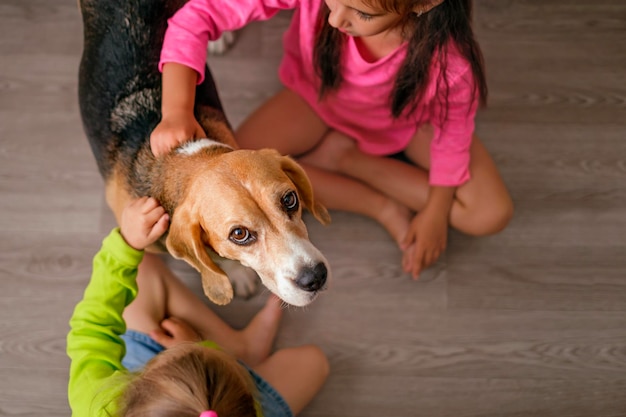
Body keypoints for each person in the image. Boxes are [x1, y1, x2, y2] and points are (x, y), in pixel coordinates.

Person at [150, 0, 514, 280]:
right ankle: (376, 202)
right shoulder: (337, 12)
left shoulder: (451, 64)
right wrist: (177, 111)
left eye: (361, 13)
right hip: (315, 100)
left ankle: (348, 160)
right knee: (235, 175)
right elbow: (197, 16)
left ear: (423, 3)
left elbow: (453, 134)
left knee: (490, 214)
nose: (335, 20)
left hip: (408, 122)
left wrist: (436, 212)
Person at [66, 196, 329, 417]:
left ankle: (236, 351)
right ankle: (241, 350)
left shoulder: (99, 404)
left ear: (138, 388)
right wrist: (195, 346)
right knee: (315, 362)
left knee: (142, 267)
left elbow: (92, 329)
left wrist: (126, 246)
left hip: (167, 377)